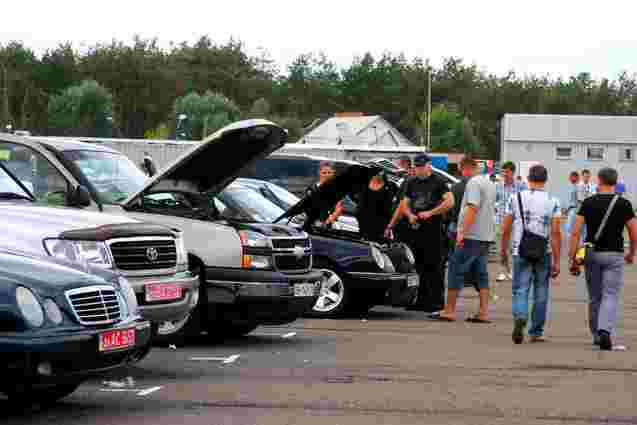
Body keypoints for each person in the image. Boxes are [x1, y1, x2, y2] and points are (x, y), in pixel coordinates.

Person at [568, 167, 637, 350]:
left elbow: (575, 232)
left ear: (598, 180)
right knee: (610, 295)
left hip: (592, 254)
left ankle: (597, 335)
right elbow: (633, 232)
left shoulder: (588, 202)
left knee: (594, 296)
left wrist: (573, 257)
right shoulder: (624, 204)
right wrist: (632, 252)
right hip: (614, 254)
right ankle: (605, 330)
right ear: (615, 182)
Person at [385, 154, 454, 313]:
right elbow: (404, 204)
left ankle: (436, 301)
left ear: (429, 166)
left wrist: (431, 213)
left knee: (434, 266)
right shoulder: (411, 182)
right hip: (415, 228)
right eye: (417, 166)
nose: (419, 169)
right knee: (418, 265)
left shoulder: (438, 181)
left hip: (433, 228)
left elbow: (450, 202)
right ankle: (421, 300)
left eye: (422, 166)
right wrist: (409, 215)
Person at [501, 165, 561, 344]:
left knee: (520, 289)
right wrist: (557, 261)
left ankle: (520, 316)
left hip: (521, 249)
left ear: (528, 178)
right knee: (541, 292)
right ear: (546, 179)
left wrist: (504, 251)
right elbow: (556, 233)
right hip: (544, 251)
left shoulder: (515, 198)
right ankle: (536, 331)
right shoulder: (553, 201)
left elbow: (505, 228)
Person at [436, 161, 496, 323]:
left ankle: (449, 311)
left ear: (464, 169)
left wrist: (462, 232)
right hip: (486, 235)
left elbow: (472, 208)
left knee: (455, 270)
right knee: (481, 274)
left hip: (471, 236)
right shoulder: (489, 183)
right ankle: (483, 312)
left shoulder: (474, 184)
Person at [495, 161, 527, 283]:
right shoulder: (498, 185)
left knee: (514, 247)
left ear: (513, 172)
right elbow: (495, 200)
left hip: (515, 222)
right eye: (503, 172)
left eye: (507, 171)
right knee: (501, 248)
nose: (504, 174)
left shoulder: (521, 186)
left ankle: (512, 270)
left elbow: (526, 201)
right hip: (501, 220)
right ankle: (502, 271)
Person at [356, 170, 396, 242]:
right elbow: (358, 201)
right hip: (363, 222)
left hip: (380, 224)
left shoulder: (390, 186)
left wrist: (388, 227)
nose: (378, 173)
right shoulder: (364, 184)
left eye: (380, 170)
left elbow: (391, 206)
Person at [308, 161, 345, 226]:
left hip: (329, 223)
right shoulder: (312, 188)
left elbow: (339, 207)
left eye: (329, 172)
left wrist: (330, 219)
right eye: (324, 173)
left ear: (333, 173)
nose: (327, 175)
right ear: (319, 173)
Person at [566, 171, 580, 236]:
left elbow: (577, 200)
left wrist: (568, 209)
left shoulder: (577, 187)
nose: (570, 178)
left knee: (570, 229)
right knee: (570, 229)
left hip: (574, 209)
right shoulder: (571, 187)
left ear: (576, 178)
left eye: (572, 177)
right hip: (572, 210)